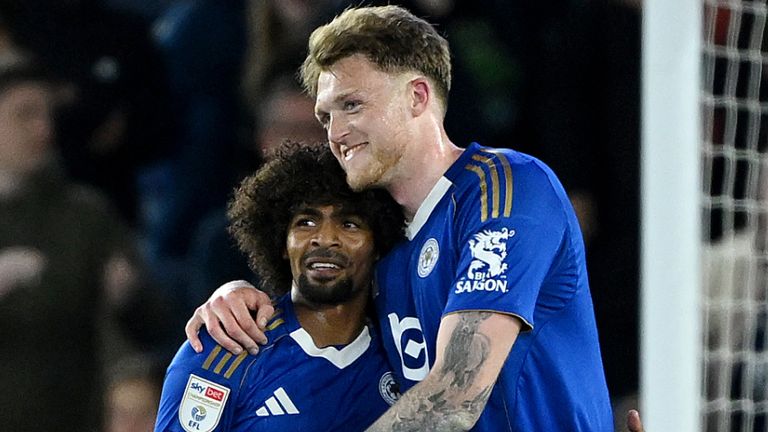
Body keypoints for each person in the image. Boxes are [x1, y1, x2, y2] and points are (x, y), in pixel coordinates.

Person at [186, 5, 643, 431]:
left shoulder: (506, 189)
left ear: (417, 96)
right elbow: (316, 321)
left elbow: (455, 395)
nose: (335, 134)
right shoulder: (381, 238)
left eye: (352, 105)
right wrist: (234, 294)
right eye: (325, 117)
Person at [155, 141, 405, 431]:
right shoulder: (224, 349)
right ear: (282, 243)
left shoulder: (403, 352)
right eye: (306, 222)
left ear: (379, 245)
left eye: (349, 224)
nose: (325, 239)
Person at [0, 55, 163, 431]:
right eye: (25, 114)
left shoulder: (85, 215)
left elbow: (154, 321)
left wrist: (129, 294)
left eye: (47, 115)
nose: (43, 128)